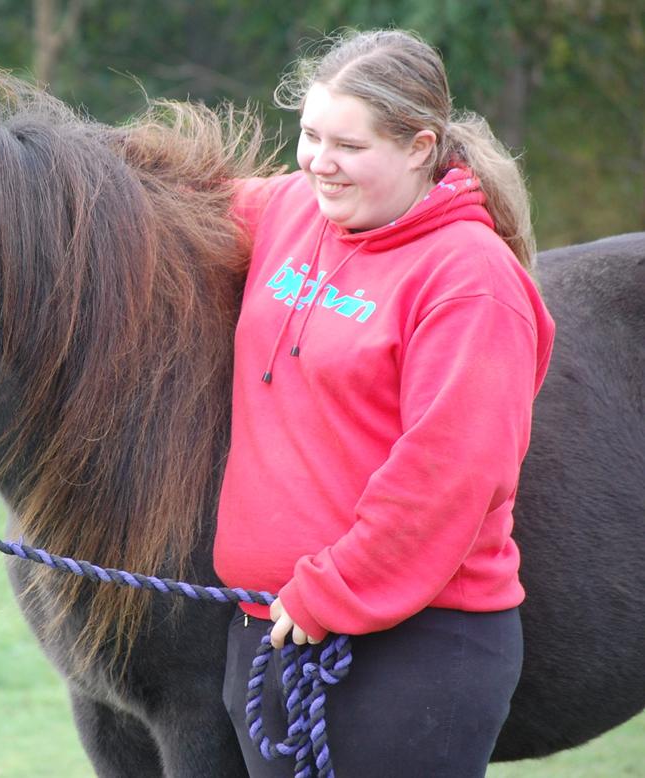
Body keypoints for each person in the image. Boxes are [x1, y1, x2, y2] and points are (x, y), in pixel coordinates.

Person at [214, 29, 555, 777]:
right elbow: (173, 208)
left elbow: (450, 476)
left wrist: (327, 594)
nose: (318, 162)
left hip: (418, 652)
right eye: (308, 135)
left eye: (349, 145)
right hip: (274, 629)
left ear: (418, 146)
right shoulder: (290, 212)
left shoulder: (469, 279)